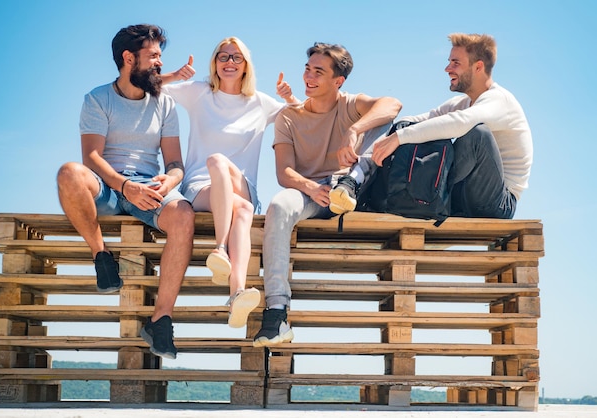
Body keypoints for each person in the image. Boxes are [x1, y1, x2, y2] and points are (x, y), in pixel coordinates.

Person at [56, 24, 195, 360]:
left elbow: (175, 162)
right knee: (69, 172)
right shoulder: (97, 98)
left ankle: (161, 320)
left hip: (148, 187)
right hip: (108, 186)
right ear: (129, 58)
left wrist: (170, 181)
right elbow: (91, 156)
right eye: (154, 56)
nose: (160, 63)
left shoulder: (165, 104)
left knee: (184, 215)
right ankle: (102, 256)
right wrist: (123, 185)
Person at [253, 42, 402, 347]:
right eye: (307, 69)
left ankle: (350, 182)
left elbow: (393, 103)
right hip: (313, 193)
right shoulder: (289, 117)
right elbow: (285, 173)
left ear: (338, 81)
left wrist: (354, 130)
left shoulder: (349, 104)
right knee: (280, 204)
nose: (309, 76)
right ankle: (277, 312)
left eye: (318, 71)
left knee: (384, 125)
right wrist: (311, 188)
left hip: (353, 187)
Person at [160, 37, 297, 329]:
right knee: (244, 210)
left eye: (237, 58)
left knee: (220, 163)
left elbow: (302, 117)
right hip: (200, 188)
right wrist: (173, 76)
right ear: (214, 63)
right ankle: (236, 292)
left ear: (246, 65)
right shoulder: (199, 93)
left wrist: (290, 98)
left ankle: (220, 249)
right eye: (223, 57)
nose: (230, 62)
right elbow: (147, 87)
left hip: (242, 183)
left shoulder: (261, 103)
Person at [329, 33, 533, 220]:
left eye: (456, 63)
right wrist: (391, 134)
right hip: (462, 197)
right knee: (409, 128)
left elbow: (460, 123)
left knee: (476, 135)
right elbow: (421, 121)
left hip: (497, 203)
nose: (447, 68)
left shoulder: (499, 100)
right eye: (449, 62)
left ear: (478, 67)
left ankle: (418, 194)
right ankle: (363, 188)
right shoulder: (461, 103)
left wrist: (399, 138)